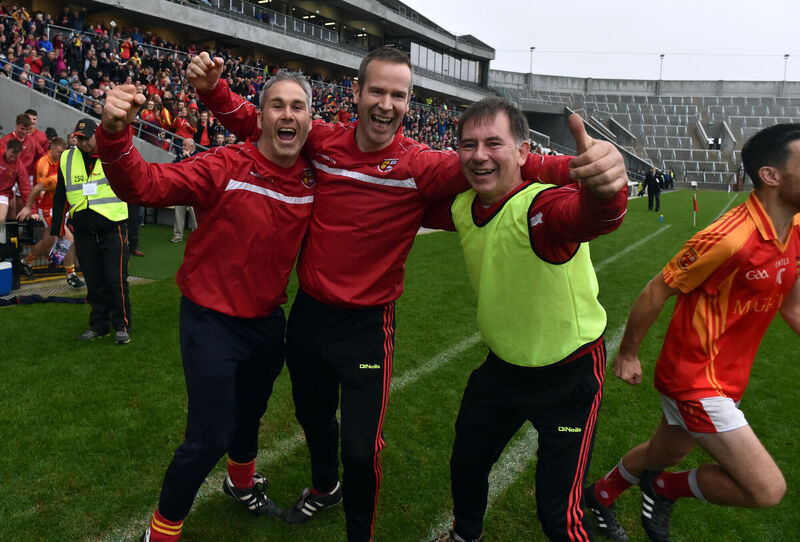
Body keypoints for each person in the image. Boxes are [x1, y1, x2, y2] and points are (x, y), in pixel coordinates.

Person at [189, 47, 627, 542]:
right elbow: (260, 125)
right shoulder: (322, 140)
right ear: (355, 93)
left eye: (397, 95)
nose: (385, 103)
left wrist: (585, 172)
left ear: (409, 102)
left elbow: (509, 162)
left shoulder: (421, 164)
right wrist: (213, 91)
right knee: (313, 418)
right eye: (376, 90)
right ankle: (324, 486)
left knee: (360, 449)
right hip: (309, 316)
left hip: (367, 327)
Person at [97, 73, 315, 542]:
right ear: (259, 116)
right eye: (277, 105)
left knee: (250, 414)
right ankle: (162, 531)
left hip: (266, 320)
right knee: (209, 436)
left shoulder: (315, 175)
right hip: (210, 320)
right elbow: (145, 186)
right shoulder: (224, 164)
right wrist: (116, 133)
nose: (288, 114)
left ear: (310, 120)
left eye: (298, 106)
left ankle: (240, 485)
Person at [422, 98, 627, 542]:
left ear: (523, 151)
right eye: (468, 144)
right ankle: (464, 534)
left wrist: (608, 190)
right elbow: (407, 200)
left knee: (559, 512)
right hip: (503, 369)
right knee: (467, 462)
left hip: (567, 377)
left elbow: (586, 216)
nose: (479, 154)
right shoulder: (465, 206)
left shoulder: (541, 206)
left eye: (494, 143)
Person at [584, 123, 800, 542]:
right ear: (772, 176)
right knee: (767, 489)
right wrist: (628, 353)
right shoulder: (729, 237)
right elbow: (656, 289)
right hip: (694, 378)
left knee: (665, 451)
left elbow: (791, 304)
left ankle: (601, 495)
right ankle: (663, 487)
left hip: (728, 376)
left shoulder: (796, 229)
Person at [50, 118, 131, 344]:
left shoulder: (113, 153)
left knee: (115, 279)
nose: (83, 143)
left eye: (87, 138)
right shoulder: (67, 157)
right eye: (79, 139)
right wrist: (57, 227)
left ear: (98, 135)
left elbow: (130, 187)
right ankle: (99, 326)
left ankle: (122, 326)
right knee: (94, 280)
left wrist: (132, 234)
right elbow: (60, 194)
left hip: (112, 225)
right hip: (83, 230)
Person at [17, 137, 84, 288]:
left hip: (60, 208)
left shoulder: (66, 167)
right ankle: (71, 275)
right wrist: (29, 208)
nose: (62, 155)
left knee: (48, 241)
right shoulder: (49, 171)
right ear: (52, 149)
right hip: (48, 209)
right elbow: (37, 189)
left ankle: (26, 261)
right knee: (68, 239)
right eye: (59, 153)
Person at [0, 140, 28, 243]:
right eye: (11, 156)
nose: (12, 159)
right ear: (6, 149)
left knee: (1, 219)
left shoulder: (19, 166)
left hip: (3, 194)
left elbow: (25, 188)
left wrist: (31, 209)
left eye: (15, 158)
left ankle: (1, 244)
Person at [170, 138, 197, 243]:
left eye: (185, 145)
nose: (183, 147)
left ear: (192, 147)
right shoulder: (179, 157)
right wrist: (183, 159)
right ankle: (177, 234)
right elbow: (172, 167)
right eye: (183, 145)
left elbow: (196, 169)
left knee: (194, 214)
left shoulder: (198, 155)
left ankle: (196, 234)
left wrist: (188, 158)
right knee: (178, 212)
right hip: (181, 189)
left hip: (193, 190)